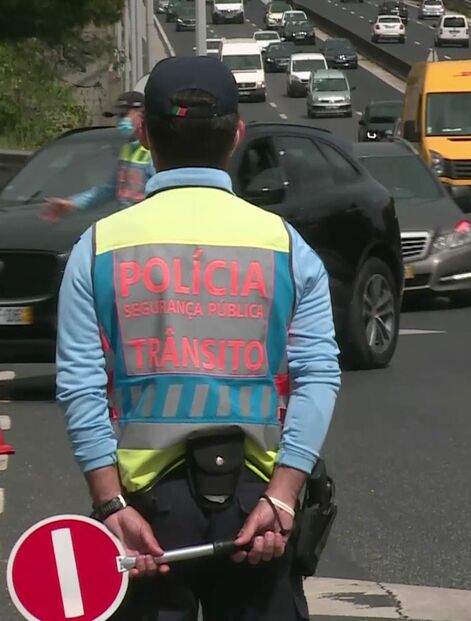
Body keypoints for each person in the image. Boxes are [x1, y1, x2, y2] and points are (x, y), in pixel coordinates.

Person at [56, 56, 341, 620]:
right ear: (237, 134)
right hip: (257, 512)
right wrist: (284, 495)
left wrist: (110, 504)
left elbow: (80, 384)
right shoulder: (284, 245)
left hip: (147, 520)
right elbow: (318, 374)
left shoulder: (99, 248)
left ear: (143, 133)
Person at [43, 91, 155, 221]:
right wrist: (72, 203)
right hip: (128, 224)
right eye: (118, 116)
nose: (120, 121)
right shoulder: (127, 150)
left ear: (141, 115)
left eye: (124, 115)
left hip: (148, 225)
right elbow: (109, 190)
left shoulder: (154, 153)